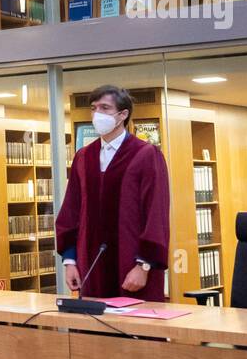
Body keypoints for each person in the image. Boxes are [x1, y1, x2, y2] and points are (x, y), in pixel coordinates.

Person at [56, 85, 171, 302]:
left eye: (105, 108)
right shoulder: (83, 157)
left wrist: (143, 265)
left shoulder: (145, 155)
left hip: (132, 267)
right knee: (94, 331)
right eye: (94, 108)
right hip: (90, 266)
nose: (97, 114)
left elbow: (156, 214)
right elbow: (71, 211)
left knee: (134, 329)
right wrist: (70, 261)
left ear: (123, 114)